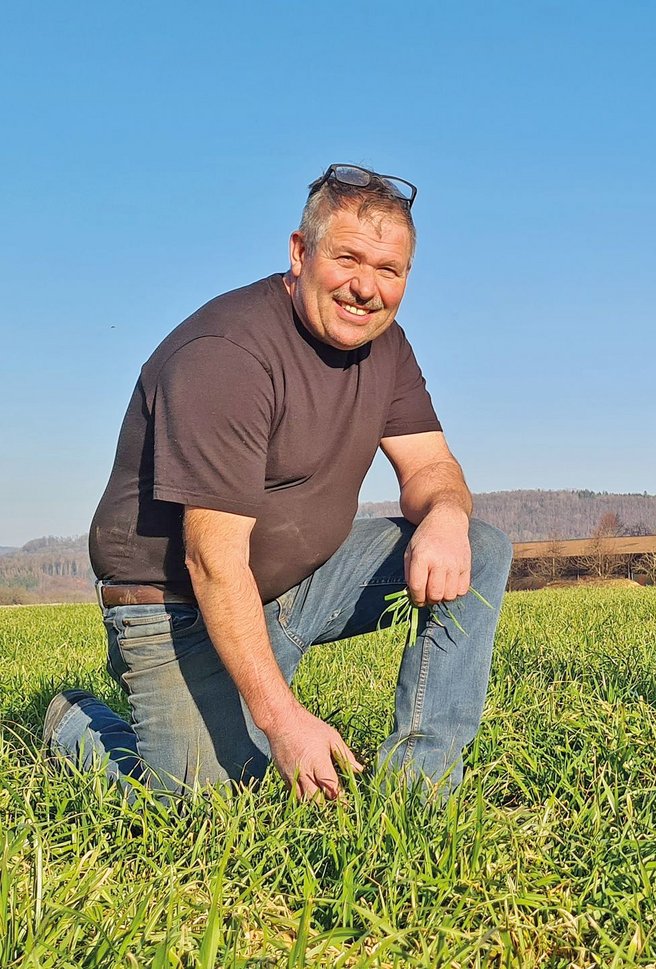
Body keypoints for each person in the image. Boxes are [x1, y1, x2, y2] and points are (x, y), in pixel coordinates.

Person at [45, 164, 512, 800]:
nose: (365, 288)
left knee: (478, 547)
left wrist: (447, 518)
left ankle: (417, 795)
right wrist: (284, 718)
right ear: (300, 252)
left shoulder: (386, 346)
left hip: (296, 587)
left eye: (388, 270)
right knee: (209, 807)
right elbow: (212, 562)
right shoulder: (226, 354)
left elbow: (431, 467)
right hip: (178, 608)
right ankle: (78, 725)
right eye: (347, 258)